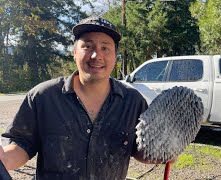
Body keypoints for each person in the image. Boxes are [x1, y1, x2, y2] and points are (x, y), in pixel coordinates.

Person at [0, 16, 154, 180]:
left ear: (115, 56)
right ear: (74, 52)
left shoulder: (133, 102)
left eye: (105, 48)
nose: (96, 55)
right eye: (88, 46)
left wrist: (164, 151)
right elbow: (21, 144)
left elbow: (142, 151)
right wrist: (3, 159)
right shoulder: (44, 97)